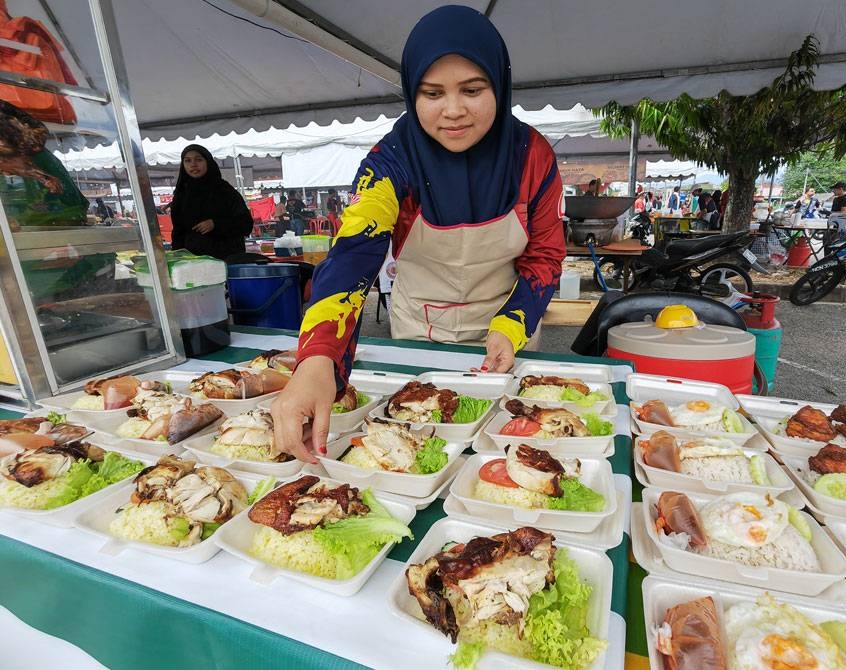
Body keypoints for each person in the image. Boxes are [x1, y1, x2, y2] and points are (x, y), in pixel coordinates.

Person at [271, 5, 565, 463]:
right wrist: (317, 358)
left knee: (509, 451)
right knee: (414, 452)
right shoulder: (389, 163)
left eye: (472, 89)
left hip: (509, 329)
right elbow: (352, 256)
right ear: (411, 92)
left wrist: (514, 323)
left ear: (500, 85)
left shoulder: (534, 157)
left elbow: (545, 255)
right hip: (419, 332)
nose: (453, 111)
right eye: (432, 93)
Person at [169, 144, 253, 261]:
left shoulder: (224, 190)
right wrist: (177, 257)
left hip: (226, 260)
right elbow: (178, 230)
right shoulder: (181, 194)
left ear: (207, 162)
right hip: (193, 264)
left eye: (198, 160)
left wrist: (216, 224)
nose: (193, 164)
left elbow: (246, 224)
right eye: (187, 161)